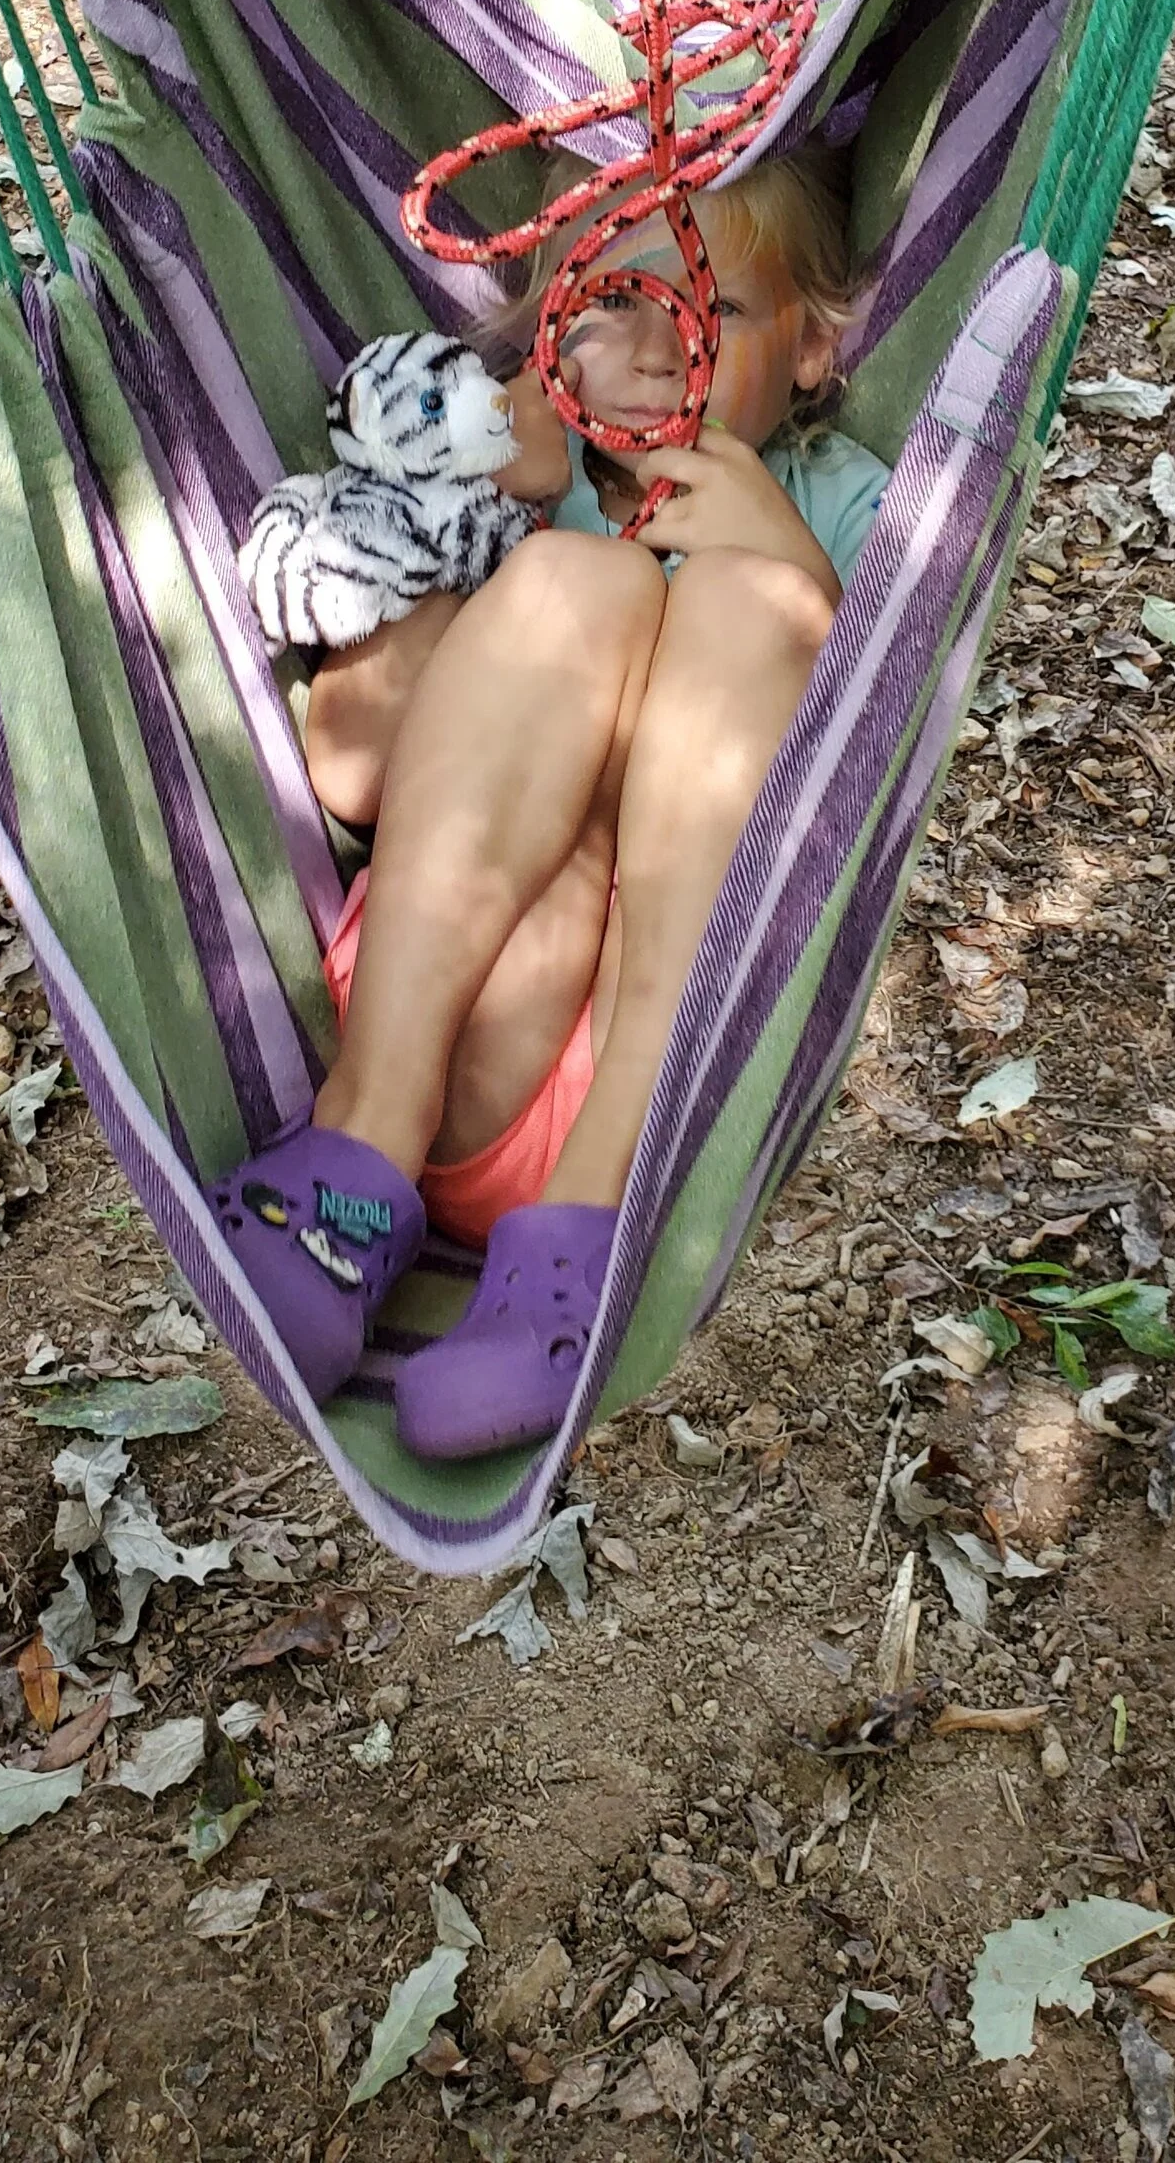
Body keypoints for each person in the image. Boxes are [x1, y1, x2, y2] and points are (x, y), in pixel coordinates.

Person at [208, 146, 891, 1460]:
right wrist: (466, 494)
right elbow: (352, 771)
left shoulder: (849, 508)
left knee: (756, 609)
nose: (654, 345)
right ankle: (356, 1157)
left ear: (815, 349)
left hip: (655, 1104)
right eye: (613, 304)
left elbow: (856, 794)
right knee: (583, 586)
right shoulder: (518, 493)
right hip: (449, 1040)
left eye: (716, 308)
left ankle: (576, 1258)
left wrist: (786, 560)